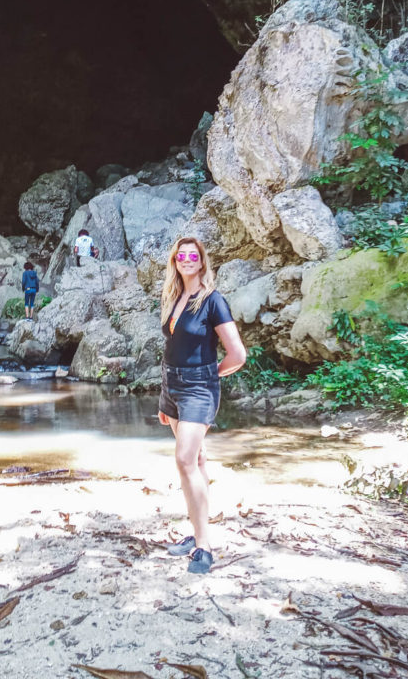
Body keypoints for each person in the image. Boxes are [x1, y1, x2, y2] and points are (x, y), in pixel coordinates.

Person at [158, 235, 247, 575]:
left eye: (193, 255)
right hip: (173, 386)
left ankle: (204, 547)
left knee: (184, 459)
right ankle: (197, 532)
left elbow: (237, 354)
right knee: (196, 460)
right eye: (182, 255)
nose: (187, 259)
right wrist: (163, 398)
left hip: (199, 388)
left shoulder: (213, 301)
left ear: (202, 261)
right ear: (175, 261)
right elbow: (170, 350)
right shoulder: (174, 297)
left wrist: (211, 375)